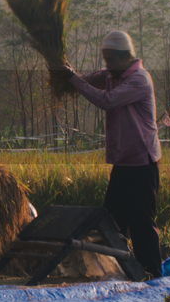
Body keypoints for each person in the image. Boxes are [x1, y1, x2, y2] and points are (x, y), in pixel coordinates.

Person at [60, 31, 163, 277]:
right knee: (112, 221)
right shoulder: (111, 75)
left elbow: (106, 100)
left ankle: (151, 273)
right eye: (104, 59)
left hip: (142, 163)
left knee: (141, 222)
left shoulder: (139, 79)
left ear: (124, 56)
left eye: (110, 59)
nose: (106, 64)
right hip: (124, 163)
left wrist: (73, 79)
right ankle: (121, 268)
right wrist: (64, 73)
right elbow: (85, 80)